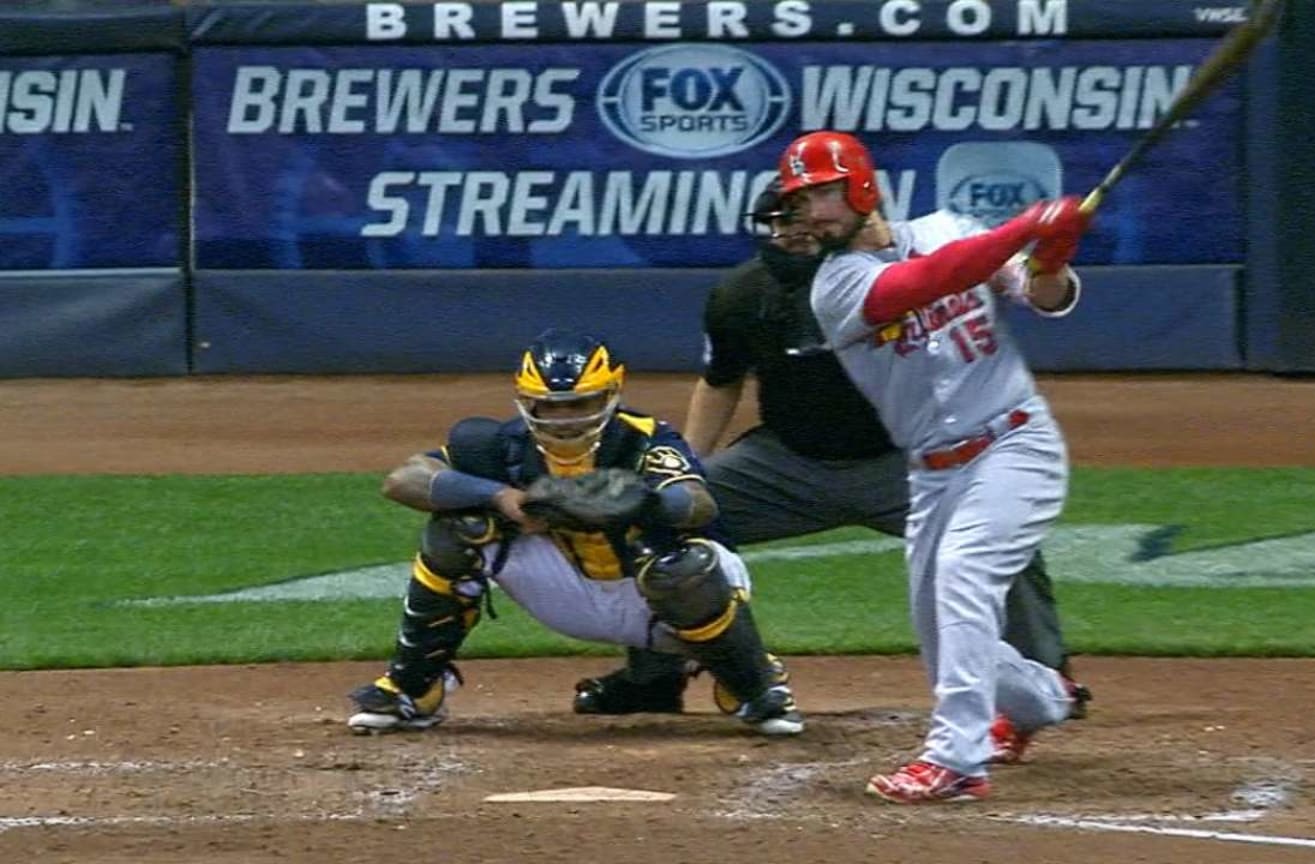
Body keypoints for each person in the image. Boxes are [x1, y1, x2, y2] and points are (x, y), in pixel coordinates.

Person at [571, 182, 1090, 745]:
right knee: (659, 516)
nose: (794, 231)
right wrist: (683, 472)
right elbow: (720, 383)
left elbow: (1009, 286)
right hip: (786, 465)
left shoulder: (883, 272)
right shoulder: (742, 295)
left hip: (907, 465)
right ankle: (656, 675)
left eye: (804, 216)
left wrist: (1042, 254)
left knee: (994, 535)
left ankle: (1045, 676)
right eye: (782, 220)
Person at [776, 130, 1091, 803]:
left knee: (964, 573)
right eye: (803, 199)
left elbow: (1044, 296)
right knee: (944, 634)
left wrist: (1055, 251)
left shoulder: (949, 227)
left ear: (860, 187)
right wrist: (1025, 226)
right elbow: (926, 280)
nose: (813, 211)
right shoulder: (836, 285)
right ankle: (1041, 697)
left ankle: (956, 760)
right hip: (932, 472)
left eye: (824, 193)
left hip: (1014, 444)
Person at [346, 328, 803, 738]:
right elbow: (402, 480)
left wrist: (642, 501)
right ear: (527, 402)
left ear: (610, 394)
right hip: (568, 592)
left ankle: (752, 682)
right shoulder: (500, 446)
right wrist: (502, 498)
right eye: (550, 406)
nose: (564, 418)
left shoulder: (645, 438)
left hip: (671, 593)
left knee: (677, 569)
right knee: (458, 528)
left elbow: (699, 503)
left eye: (578, 404)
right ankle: (413, 687)